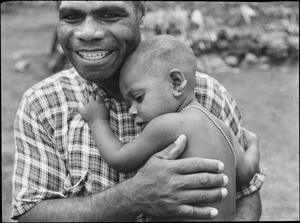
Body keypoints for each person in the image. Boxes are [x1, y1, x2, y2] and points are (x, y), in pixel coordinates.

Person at [12, 1, 266, 222]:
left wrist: (98, 119)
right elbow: (247, 172)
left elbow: (247, 198)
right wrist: (134, 196)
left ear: (141, 13)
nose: (88, 32)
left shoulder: (211, 95)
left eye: (110, 14)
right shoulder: (43, 103)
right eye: (71, 16)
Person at [78, 35, 259, 220]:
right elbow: (246, 173)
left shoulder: (167, 124)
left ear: (176, 83)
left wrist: (98, 120)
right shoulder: (222, 127)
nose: (132, 111)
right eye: (128, 103)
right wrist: (253, 145)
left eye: (139, 97)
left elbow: (119, 158)